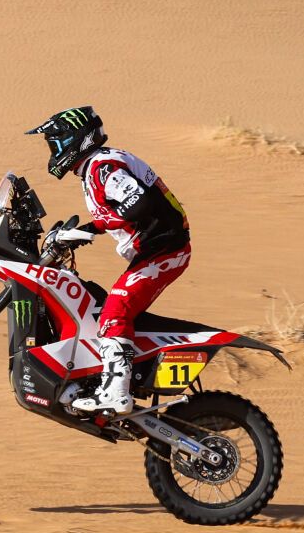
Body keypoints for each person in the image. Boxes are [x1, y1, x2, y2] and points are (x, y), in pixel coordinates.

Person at [27, 106, 191, 415]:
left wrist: (93, 228)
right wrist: (81, 231)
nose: (53, 152)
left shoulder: (102, 167)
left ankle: (117, 393)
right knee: (101, 305)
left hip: (166, 249)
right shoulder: (97, 165)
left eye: (55, 143)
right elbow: (127, 208)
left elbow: (138, 202)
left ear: (74, 139)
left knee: (116, 310)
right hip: (158, 249)